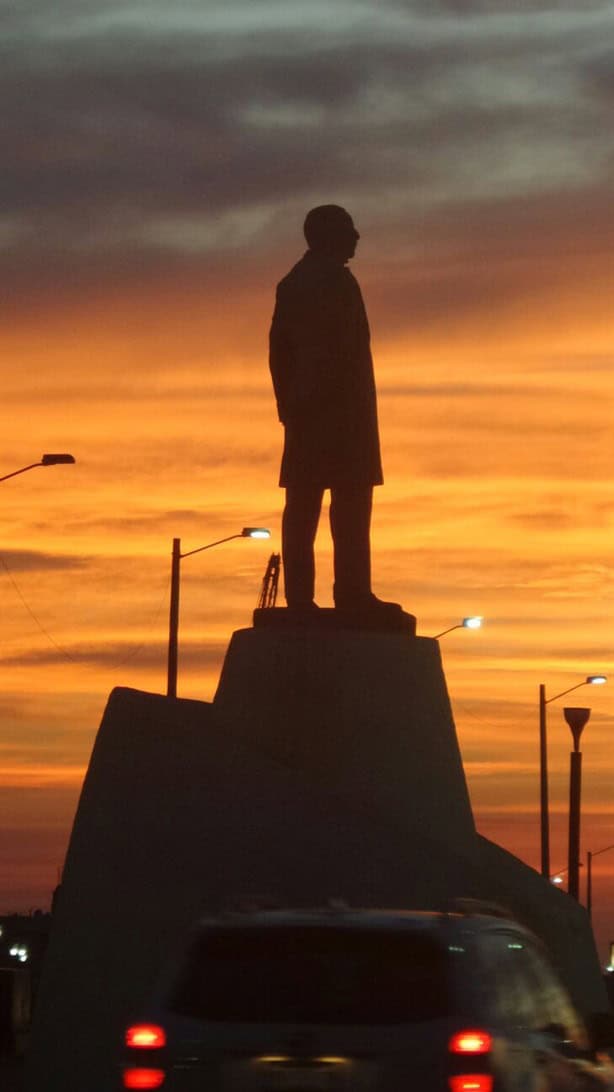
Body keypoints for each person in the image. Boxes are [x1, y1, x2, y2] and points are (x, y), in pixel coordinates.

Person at [269, 204, 400, 614]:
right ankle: (316, 597)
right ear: (327, 236)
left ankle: (347, 592)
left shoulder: (313, 282)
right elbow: (282, 352)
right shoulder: (312, 284)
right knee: (313, 504)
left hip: (335, 413)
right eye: (349, 230)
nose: (357, 237)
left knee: (342, 504)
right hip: (326, 413)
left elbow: (281, 352)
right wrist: (293, 406)